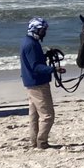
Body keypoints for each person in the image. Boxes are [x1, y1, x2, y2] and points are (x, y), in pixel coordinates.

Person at [19, 17, 64, 149]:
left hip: (30, 83)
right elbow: (35, 66)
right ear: (36, 29)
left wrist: (45, 56)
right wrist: (53, 69)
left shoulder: (28, 42)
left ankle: (34, 141)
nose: (44, 32)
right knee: (48, 115)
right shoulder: (31, 45)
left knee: (34, 115)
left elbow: (34, 61)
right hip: (38, 84)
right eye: (43, 30)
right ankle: (42, 142)